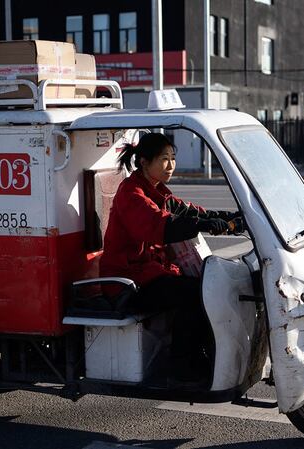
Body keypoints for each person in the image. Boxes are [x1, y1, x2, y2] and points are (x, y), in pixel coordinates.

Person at [100, 133, 242, 384]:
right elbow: (161, 226)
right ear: (144, 162)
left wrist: (232, 218)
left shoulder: (157, 192)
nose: (171, 165)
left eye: (173, 158)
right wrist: (205, 224)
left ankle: (197, 357)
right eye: (164, 159)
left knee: (206, 288)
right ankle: (182, 366)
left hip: (151, 275)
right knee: (196, 293)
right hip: (128, 283)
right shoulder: (132, 194)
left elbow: (190, 212)